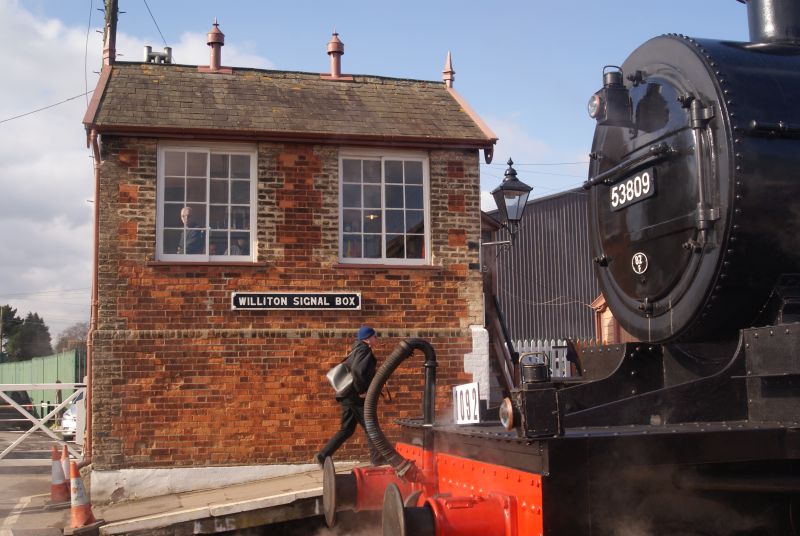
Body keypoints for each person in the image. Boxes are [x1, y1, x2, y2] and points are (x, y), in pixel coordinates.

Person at [315, 325, 385, 467]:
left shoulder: (356, 349)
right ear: (367, 339)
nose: (376, 338)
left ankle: (323, 455)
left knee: (347, 429)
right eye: (374, 336)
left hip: (347, 396)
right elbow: (358, 371)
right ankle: (378, 460)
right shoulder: (364, 350)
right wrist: (361, 391)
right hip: (355, 397)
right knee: (370, 426)